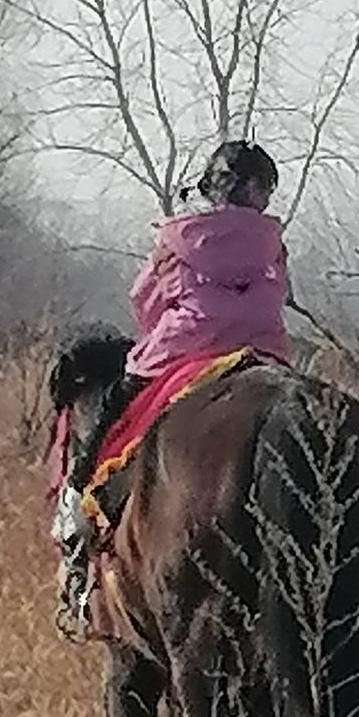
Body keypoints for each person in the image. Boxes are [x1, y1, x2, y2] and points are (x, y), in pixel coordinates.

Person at [53, 138, 291, 626]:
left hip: (186, 345)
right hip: (263, 347)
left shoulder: (180, 235)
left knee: (118, 407)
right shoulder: (272, 241)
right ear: (259, 191)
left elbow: (144, 301)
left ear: (214, 187)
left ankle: (79, 501)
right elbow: (279, 292)